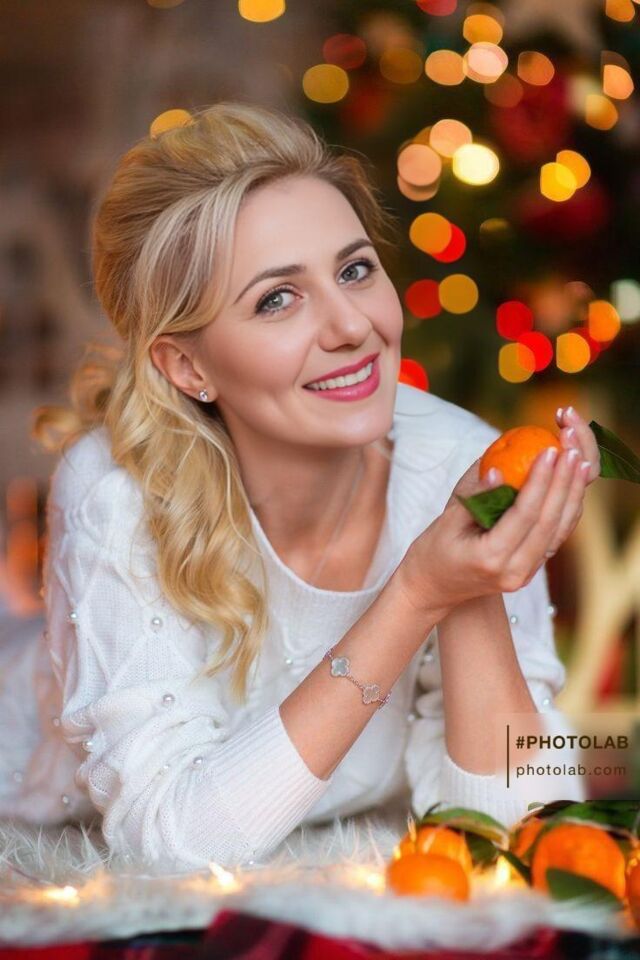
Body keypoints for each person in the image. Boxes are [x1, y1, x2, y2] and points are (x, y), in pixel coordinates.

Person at [0, 102, 597, 874]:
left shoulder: (464, 465)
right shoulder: (117, 494)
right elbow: (171, 847)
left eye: (354, 270)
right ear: (188, 366)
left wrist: (472, 589)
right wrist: (415, 594)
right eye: (276, 299)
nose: (351, 326)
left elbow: (525, 829)